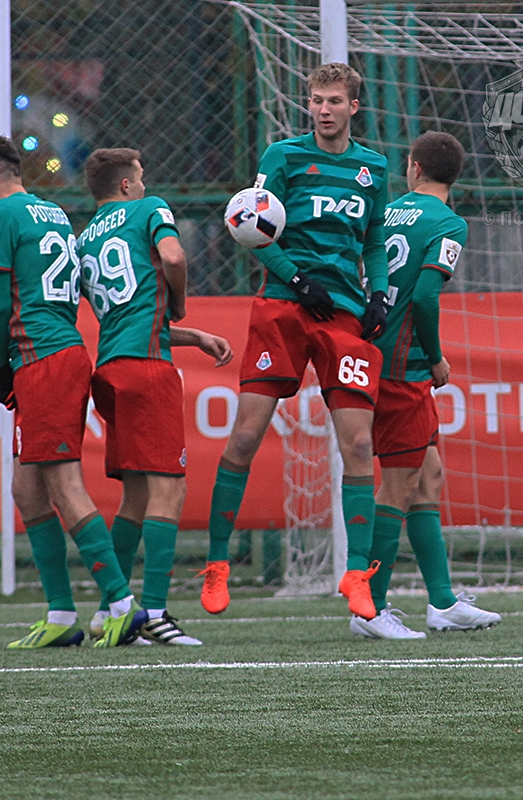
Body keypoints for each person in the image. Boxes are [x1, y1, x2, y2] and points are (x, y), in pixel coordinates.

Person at [199, 62, 392, 621]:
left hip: (342, 315)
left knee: (359, 447)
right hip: (284, 306)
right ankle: (217, 564)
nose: (324, 109)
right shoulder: (282, 157)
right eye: (316, 100)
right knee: (245, 436)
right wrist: (298, 278)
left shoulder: (374, 168)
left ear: (354, 107)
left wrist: (379, 293)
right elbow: (252, 225)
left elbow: (375, 239)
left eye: (334, 101)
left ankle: (356, 576)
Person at [0, 135, 145, 649]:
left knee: (64, 484)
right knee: (27, 489)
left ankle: (121, 603)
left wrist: (1, 365)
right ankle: (62, 614)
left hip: (40, 357)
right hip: (60, 350)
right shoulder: (54, 212)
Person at [353, 131, 501, 638]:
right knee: (398, 484)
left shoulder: (388, 212)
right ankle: (369, 609)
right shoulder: (448, 222)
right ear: (454, 176)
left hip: (372, 354)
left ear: (414, 167)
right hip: (403, 368)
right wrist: (435, 358)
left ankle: (442, 602)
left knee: (428, 475)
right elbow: (424, 297)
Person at [76, 147, 221, 646]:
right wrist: (180, 303)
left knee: (136, 495)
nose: (144, 184)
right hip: (147, 368)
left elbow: (128, 311)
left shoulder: (84, 239)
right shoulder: (148, 208)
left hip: (112, 367)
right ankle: (155, 612)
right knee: (170, 489)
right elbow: (174, 257)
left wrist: (192, 336)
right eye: (140, 177)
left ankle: (107, 613)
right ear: (126, 185)